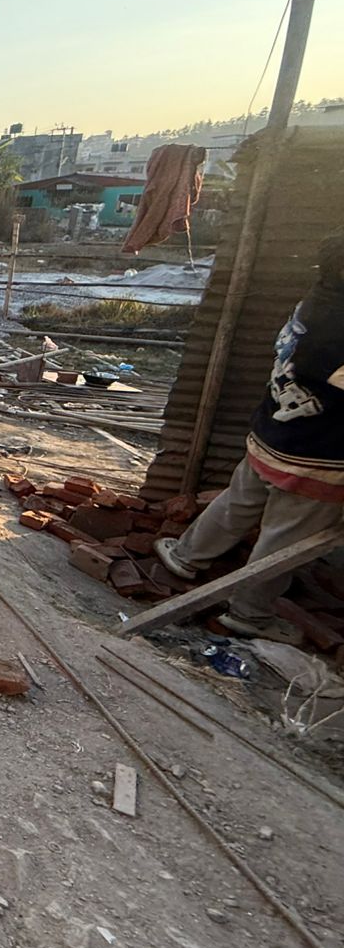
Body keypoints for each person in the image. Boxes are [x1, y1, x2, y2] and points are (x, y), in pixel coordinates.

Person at [155, 230, 344, 644]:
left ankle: (186, 556)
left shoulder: (316, 301)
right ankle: (249, 613)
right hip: (317, 454)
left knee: (238, 502)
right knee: (285, 537)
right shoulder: (338, 330)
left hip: (272, 432)